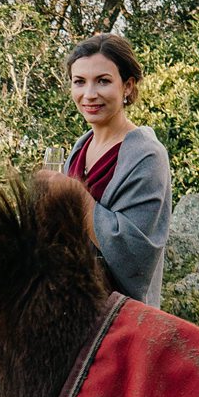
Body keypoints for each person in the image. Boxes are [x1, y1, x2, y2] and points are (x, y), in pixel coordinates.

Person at [61, 33, 172, 303]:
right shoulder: (80, 148)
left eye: (103, 81)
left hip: (117, 317)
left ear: (128, 86)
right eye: (79, 82)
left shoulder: (146, 155)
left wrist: (73, 196)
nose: (89, 94)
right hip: (67, 304)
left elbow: (136, 256)